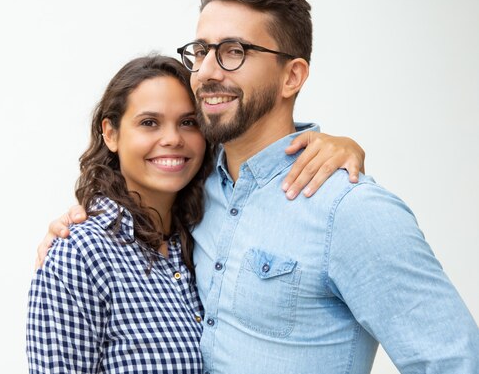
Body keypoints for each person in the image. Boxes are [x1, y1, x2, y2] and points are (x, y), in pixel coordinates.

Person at [38, 0, 479, 373]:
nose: (207, 72)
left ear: (292, 77)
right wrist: (80, 225)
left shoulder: (349, 211)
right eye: (202, 51)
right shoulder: (197, 187)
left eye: (234, 52)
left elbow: (454, 362)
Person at [27, 55, 363, 373]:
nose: (172, 139)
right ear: (111, 133)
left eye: (188, 122)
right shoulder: (79, 253)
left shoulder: (205, 229)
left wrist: (343, 144)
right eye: (149, 123)